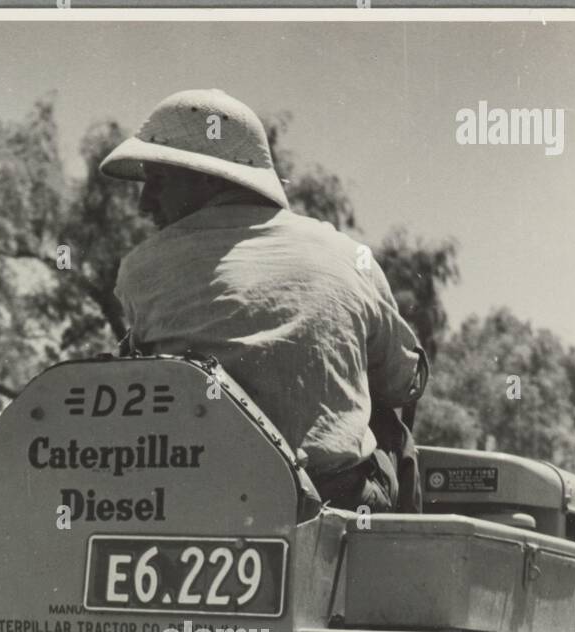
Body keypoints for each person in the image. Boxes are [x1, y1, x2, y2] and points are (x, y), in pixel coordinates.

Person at [100, 88, 428, 512]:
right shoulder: (348, 256)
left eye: (158, 182)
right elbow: (405, 383)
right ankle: (396, 570)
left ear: (206, 177)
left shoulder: (139, 267)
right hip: (326, 499)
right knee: (386, 419)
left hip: (187, 495)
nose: (145, 203)